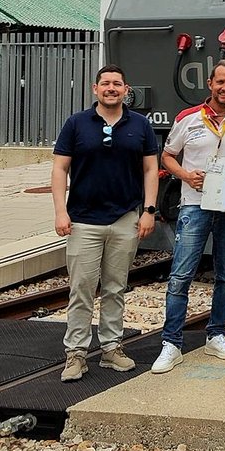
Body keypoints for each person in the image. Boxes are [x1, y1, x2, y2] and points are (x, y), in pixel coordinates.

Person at [151, 60, 225, 374]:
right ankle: (171, 343)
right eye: (220, 82)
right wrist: (186, 175)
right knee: (181, 275)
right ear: (210, 84)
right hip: (195, 206)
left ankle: (216, 335)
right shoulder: (188, 118)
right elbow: (167, 156)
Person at [52, 64, 159, 382]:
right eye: (106, 84)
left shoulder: (140, 125)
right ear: (94, 89)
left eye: (117, 84)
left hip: (124, 219)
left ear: (126, 90)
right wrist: (61, 211)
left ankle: (112, 348)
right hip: (83, 221)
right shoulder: (76, 124)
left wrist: (149, 210)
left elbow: (150, 170)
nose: (111, 88)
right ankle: (76, 354)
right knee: (81, 290)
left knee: (115, 288)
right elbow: (60, 169)